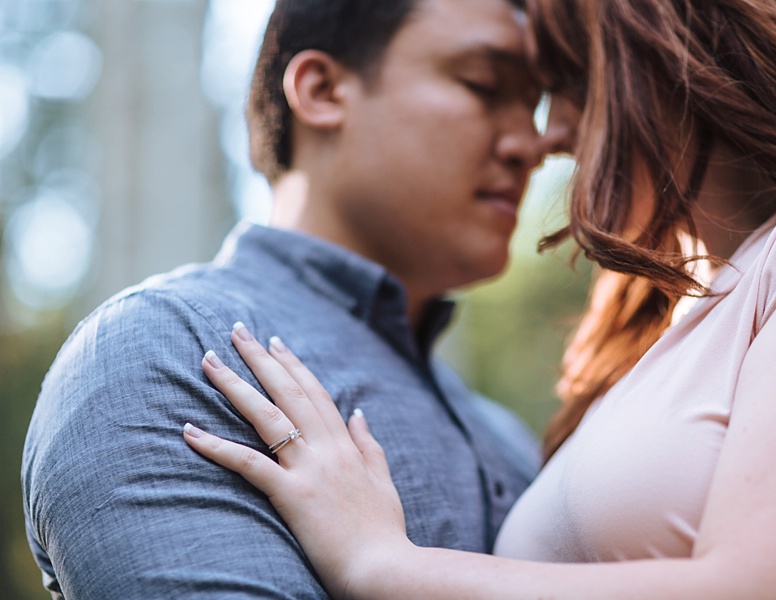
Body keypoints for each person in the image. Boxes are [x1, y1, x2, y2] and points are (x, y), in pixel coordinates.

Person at [182, 0, 776, 598]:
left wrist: (383, 565)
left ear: (674, 59)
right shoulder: (679, 323)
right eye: (487, 87)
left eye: (572, 82)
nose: (546, 137)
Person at [21, 0, 545, 597]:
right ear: (322, 91)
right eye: (483, 85)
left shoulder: (508, 438)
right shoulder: (168, 350)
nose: (532, 145)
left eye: (535, 104)